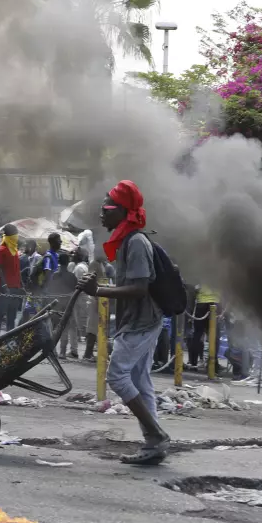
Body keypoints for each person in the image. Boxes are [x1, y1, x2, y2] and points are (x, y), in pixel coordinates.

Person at [80, 180, 170, 466]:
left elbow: (140, 288)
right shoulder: (125, 242)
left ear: (123, 212)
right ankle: (154, 443)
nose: (101, 213)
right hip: (137, 320)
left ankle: (156, 434)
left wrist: (99, 291)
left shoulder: (136, 243)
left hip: (142, 321)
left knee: (118, 376)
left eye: (106, 208)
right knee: (141, 382)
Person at [0, 223, 22, 337]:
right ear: (10, 235)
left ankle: (9, 339)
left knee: (12, 316)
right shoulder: (2, 249)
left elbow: (17, 270)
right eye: (15, 234)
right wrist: (4, 286)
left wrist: (21, 285)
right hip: (5, 288)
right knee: (0, 314)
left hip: (15, 288)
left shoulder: (14, 249)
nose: (17, 236)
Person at [188, 285, 220, 370]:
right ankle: (213, 365)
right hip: (215, 302)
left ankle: (193, 363)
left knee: (197, 334)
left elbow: (195, 287)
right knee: (214, 336)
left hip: (201, 303)